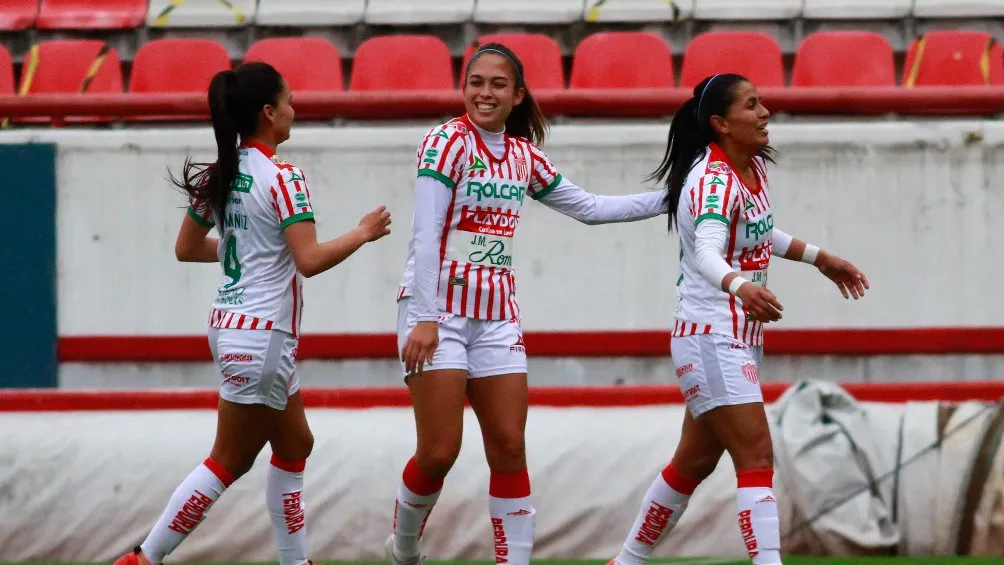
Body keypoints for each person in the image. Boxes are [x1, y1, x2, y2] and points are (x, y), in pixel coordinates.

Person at [385, 42, 670, 565]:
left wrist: (671, 197)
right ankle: (403, 547)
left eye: (497, 84)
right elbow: (427, 236)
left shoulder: (523, 156)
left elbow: (589, 208)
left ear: (518, 95)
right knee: (439, 451)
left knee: (510, 449)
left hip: (497, 317)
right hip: (437, 313)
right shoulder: (445, 142)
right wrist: (424, 317)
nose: (484, 92)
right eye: (476, 82)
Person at [114, 62, 392, 565]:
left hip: (230, 327)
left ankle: (295, 561)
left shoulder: (222, 173)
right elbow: (308, 260)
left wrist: (250, 247)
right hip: (263, 335)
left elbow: (186, 248)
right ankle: (143, 558)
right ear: (268, 113)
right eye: (288, 100)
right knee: (227, 462)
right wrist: (362, 232)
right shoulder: (284, 177)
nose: (294, 109)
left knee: (296, 443)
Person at [607, 74, 869, 565]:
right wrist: (740, 285)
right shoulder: (711, 180)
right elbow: (705, 248)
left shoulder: (749, 169)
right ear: (721, 124)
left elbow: (759, 231)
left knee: (693, 462)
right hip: (712, 336)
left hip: (729, 337)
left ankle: (626, 561)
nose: (765, 111)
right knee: (755, 460)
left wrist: (819, 257)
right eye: (752, 105)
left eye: (762, 102)